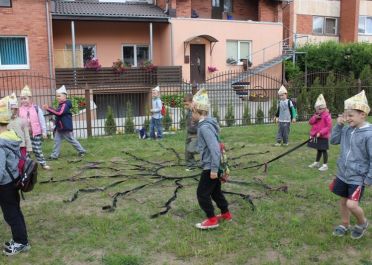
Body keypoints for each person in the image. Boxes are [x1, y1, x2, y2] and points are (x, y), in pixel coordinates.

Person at [330, 90, 372, 239]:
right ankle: (345, 224)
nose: (347, 119)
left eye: (351, 115)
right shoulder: (347, 129)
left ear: (363, 115)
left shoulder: (369, 134)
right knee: (343, 202)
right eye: (346, 115)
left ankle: (362, 223)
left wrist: (369, 178)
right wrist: (339, 126)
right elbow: (333, 141)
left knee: (351, 205)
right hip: (343, 174)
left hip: (358, 176)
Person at [192, 89, 232, 229]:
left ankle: (212, 219)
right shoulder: (207, 124)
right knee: (215, 192)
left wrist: (214, 169)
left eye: (193, 111)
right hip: (211, 165)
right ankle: (226, 214)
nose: (192, 114)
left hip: (210, 167)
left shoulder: (204, 128)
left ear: (199, 112)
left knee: (202, 194)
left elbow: (215, 149)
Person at [0, 96, 31, 255]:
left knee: (11, 215)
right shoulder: (11, 135)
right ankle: (21, 239)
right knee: (15, 212)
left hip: (5, 185)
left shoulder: (0, 142)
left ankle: (21, 242)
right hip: (14, 179)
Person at [42, 85, 86, 159]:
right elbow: (57, 112)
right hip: (60, 127)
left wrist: (48, 108)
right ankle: (54, 155)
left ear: (65, 97)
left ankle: (81, 151)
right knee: (57, 140)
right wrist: (49, 110)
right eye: (57, 96)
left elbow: (59, 113)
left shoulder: (65, 105)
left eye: (59, 96)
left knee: (71, 139)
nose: (57, 97)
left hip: (65, 126)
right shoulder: (61, 105)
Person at [18, 85, 50, 169]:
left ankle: (43, 163)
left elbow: (42, 120)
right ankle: (27, 166)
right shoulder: (19, 110)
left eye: (25, 98)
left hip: (36, 133)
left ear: (30, 98)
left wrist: (44, 131)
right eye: (21, 99)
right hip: (24, 135)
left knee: (37, 149)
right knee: (26, 151)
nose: (23, 100)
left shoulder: (36, 108)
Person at [7, 93, 33, 173]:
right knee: (12, 164)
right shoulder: (5, 122)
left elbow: (26, 135)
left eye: (14, 109)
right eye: (10, 109)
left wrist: (29, 147)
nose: (12, 111)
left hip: (22, 146)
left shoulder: (22, 120)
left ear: (17, 109)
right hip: (10, 146)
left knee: (21, 164)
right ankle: (16, 178)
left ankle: (22, 178)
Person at [307, 94, 332, 171]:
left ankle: (325, 165)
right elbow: (310, 122)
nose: (317, 111)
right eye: (316, 109)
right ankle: (317, 162)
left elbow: (328, 126)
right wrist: (314, 117)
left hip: (323, 136)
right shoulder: (316, 115)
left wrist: (320, 133)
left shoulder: (327, 116)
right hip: (316, 136)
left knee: (324, 150)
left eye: (319, 109)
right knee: (319, 149)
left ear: (323, 108)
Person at [184, 93, 198, 171]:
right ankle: (190, 165)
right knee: (187, 150)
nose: (185, 106)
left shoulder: (195, 111)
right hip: (189, 133)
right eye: (184, 105)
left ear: (192, 102)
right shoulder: (188, 111)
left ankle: (206, 161)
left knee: (191, 149)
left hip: (195, 134)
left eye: (187, 104)